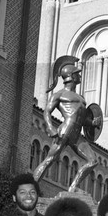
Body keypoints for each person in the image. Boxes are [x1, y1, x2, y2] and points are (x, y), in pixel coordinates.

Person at [33, 55, 102, 192]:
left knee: (93, 161)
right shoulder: (59, 95)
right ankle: (32, 187)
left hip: (77, 134)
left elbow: (82, 118)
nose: (80, 76)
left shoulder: (81, 98)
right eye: (77, 74)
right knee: (50, 160)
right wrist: (50, 127)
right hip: (66, 130)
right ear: (71, 76)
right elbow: (47, 111)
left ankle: (73, 188)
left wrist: (92, 122)